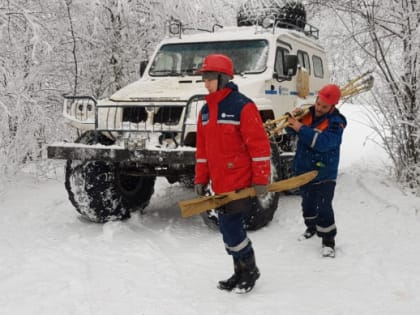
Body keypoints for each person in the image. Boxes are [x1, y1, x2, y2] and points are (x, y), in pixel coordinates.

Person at [194, 54, 271, 293]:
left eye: (208, 78)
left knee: (230, 227)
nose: (205, 83)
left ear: (223, 77)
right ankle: (241, 270)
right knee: (228, 227)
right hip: (220, 183)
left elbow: (259, 147)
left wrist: (260, 179)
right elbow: (203, 151)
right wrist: (200, 178)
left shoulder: (243, 106)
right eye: (204, 78)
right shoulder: (206, 111)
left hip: (240, 181)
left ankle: (249, 269)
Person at [287, 84, 346, 258]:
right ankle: (311, 228)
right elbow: (289, 130)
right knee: (308, 203)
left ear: (333, 106)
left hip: (324, 172)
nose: (319, 108)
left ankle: (328, 241)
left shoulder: (337, 122)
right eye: (318, 103)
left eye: (324, 107)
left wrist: (300, 128)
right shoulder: (307, 113)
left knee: (324, 206)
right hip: (304, 169)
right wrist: (292, 120)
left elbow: (324, 143)